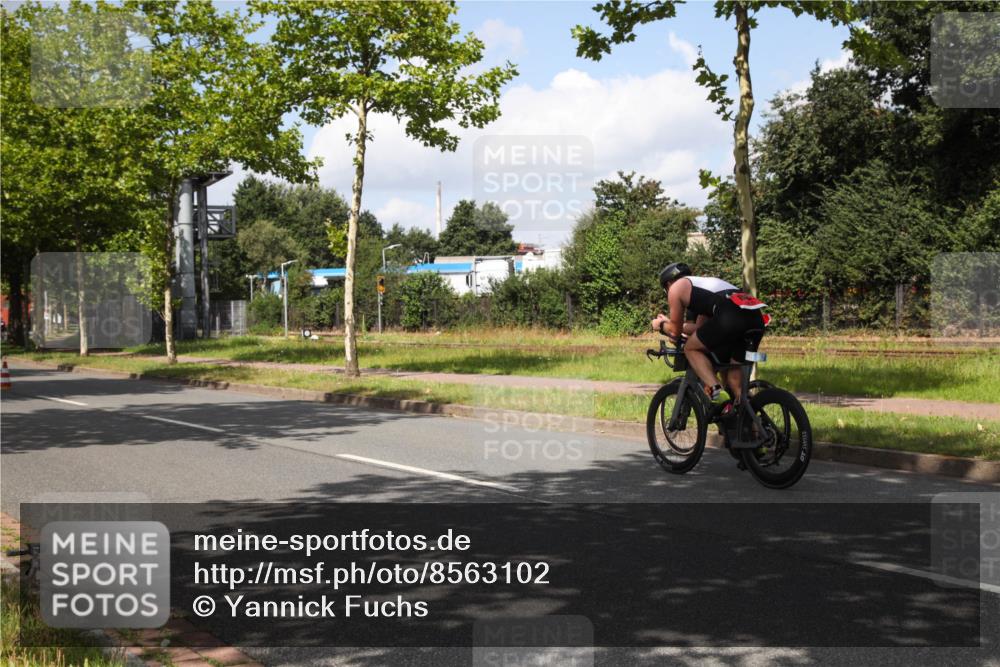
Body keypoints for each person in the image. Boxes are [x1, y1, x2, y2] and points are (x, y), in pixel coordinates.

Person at [650, 262, 765, 408]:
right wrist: (671, 323)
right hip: (755, 316)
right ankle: (756, 427)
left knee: (690, 349)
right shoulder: (705, 284)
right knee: (736, 384)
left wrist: (659, 325)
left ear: (668, 283)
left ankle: (717, 393)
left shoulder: (675, 288)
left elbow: (674, 331)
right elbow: (700, 328)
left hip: (730, 317)